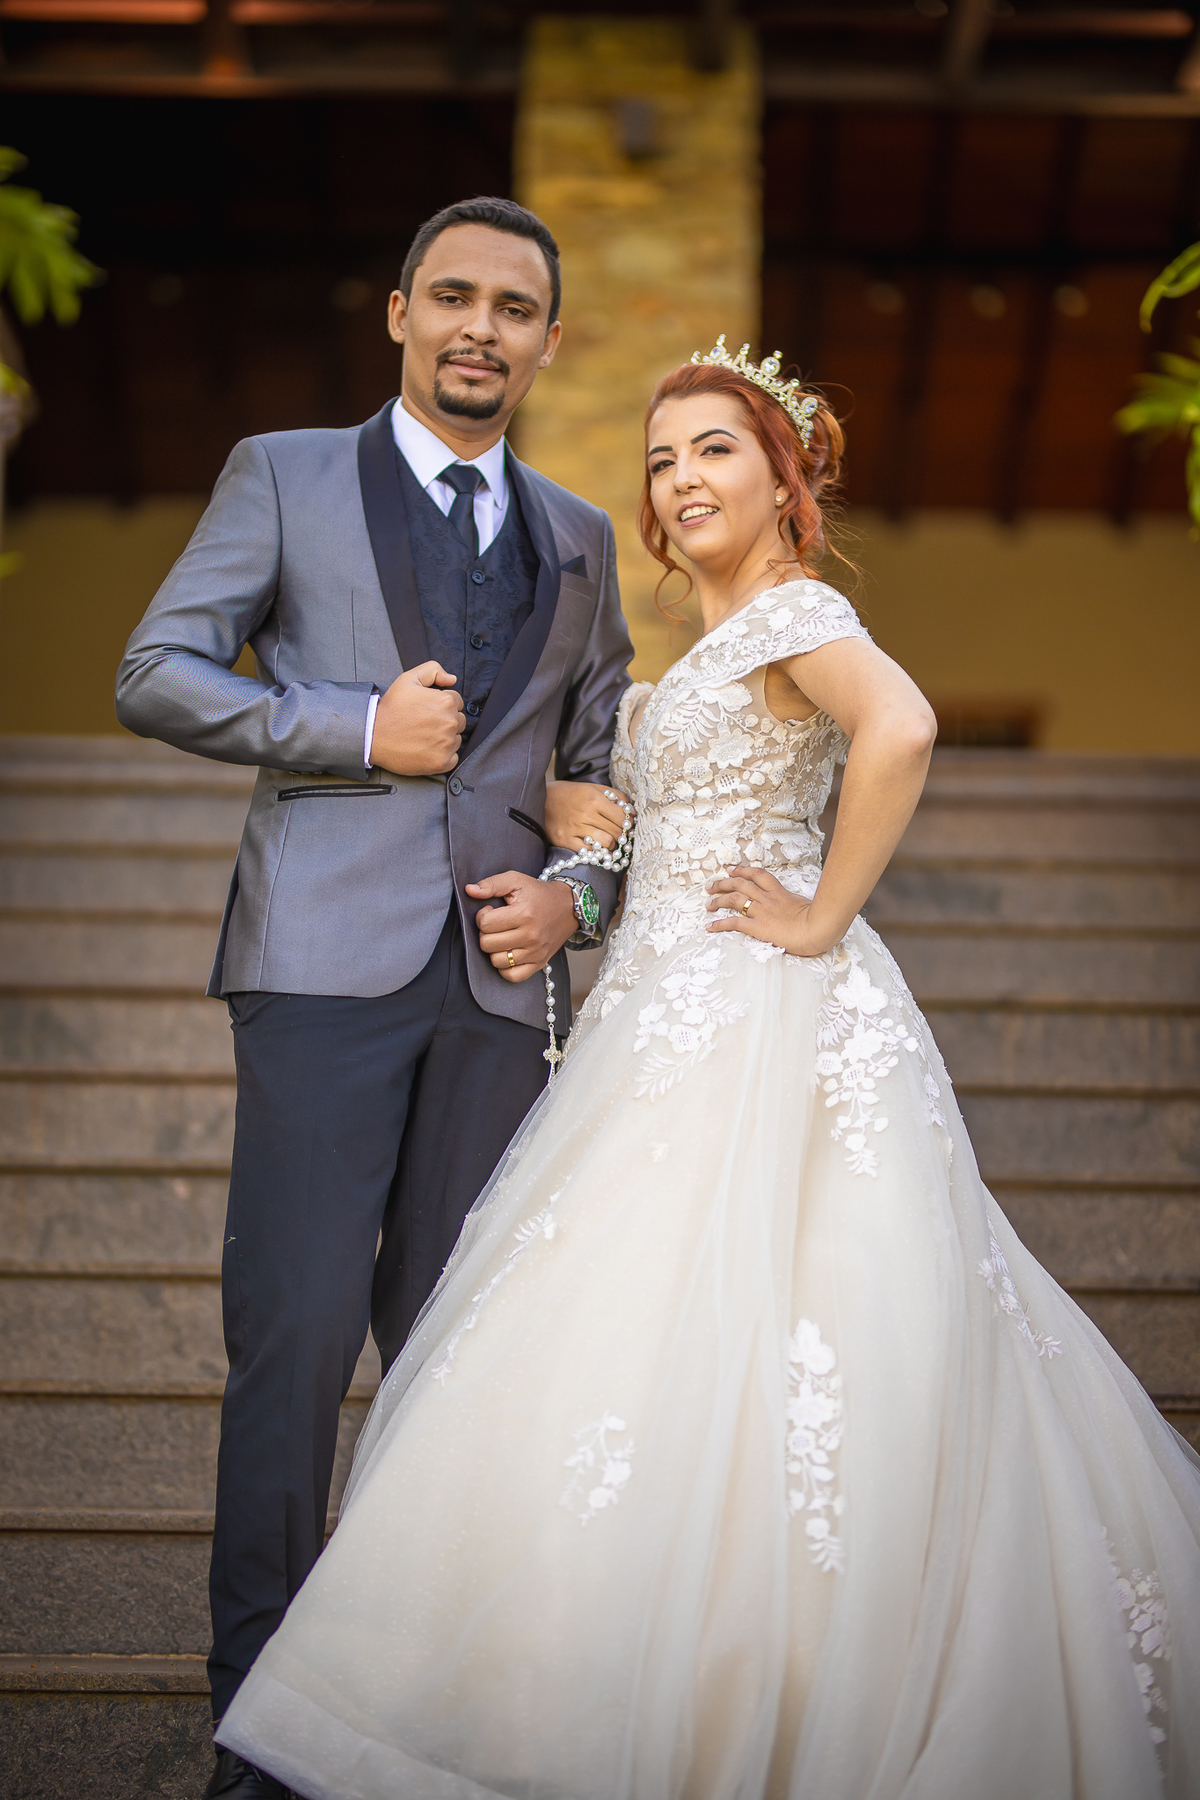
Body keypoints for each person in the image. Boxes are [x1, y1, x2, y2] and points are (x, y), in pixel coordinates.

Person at [215, 341, 1200, 1800]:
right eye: (662, 460)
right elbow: (655, 820)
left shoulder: (797, 611)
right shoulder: (701, 653)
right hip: (657, 1011)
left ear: (786, 481)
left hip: (760, 1016)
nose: (681, 480)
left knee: (793, 1325)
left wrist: (821, 914)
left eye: (716, 450)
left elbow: (904, 725)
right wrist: (576, 834)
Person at [115, 197, 635, 1800]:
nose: (483, 328)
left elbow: (602, 779)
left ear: (549, 340)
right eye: (454, 297)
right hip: (320, 972)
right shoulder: (283, 474)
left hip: (498, 994)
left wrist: (575, 901)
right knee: (292, 1350)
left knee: (457, 1361)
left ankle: (415, 1717)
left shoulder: (581, 535)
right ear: (400, 313)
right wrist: (350, 730)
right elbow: (156, 671)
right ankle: (256, 1730)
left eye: (515, 308)